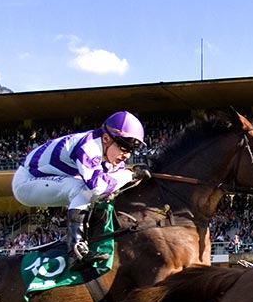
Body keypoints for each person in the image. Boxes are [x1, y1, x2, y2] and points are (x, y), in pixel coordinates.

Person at [11, 111, 149, 265]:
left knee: (98, 192)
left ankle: (90, 238)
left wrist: (133, 177)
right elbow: (98, 187)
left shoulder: (107, 150)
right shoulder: (88, 146)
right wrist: (130, 175)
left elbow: (115, 182)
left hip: (46, 178)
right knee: (83, 189)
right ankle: (76, 251)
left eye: (130, 150)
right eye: (124, 147)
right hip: (27, 182)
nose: (127, 155)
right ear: (106, 138)